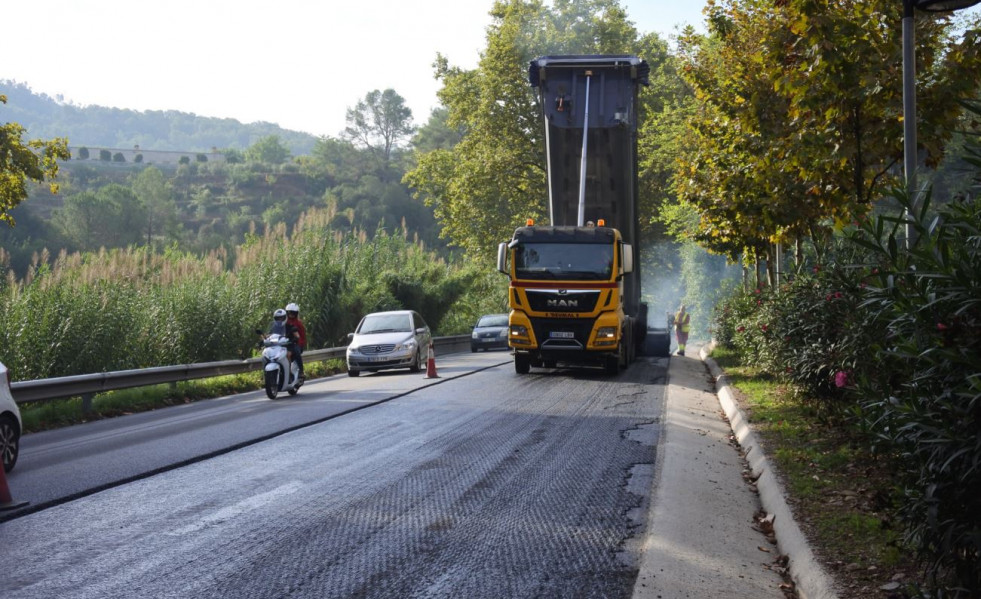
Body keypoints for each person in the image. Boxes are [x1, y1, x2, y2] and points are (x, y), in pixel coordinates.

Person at [285, 302, 306, 381]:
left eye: (293, 313)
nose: (291, 314)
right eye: (289, 312)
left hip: (296, 343)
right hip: (285, 343)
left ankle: (301, 371)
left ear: (296, 313)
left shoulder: (298, 323)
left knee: (296, 352)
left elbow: (302, 336)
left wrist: (299, 343)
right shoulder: (284, 322)